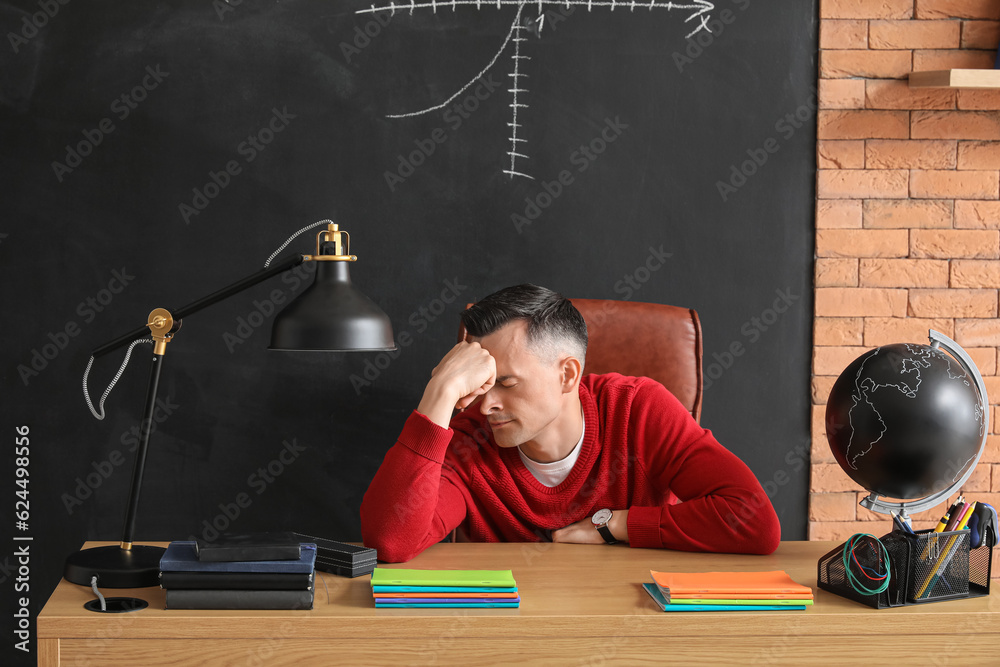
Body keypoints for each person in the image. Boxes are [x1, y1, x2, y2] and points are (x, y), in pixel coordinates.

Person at [361, 284, 781, 562]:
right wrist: (439, 394)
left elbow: (754, 523)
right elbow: (390, 541)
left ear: (567, 375)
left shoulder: (638, 408)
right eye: (479, 383)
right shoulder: (470, 433)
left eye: (505, 383)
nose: (486, 404)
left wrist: (616, 526)